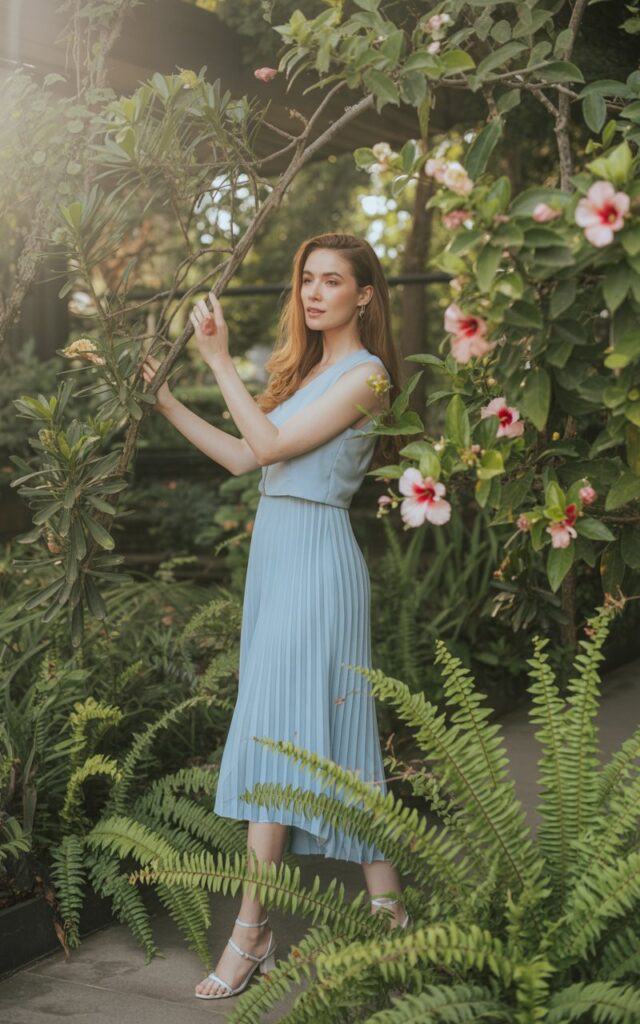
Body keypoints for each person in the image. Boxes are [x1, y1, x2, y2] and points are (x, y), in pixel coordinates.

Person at [142, 232, 409, 1001]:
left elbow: (267, 448)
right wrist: (164, 398)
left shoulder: (368, 376)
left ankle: (251, 932)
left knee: (292, 738)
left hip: (319, 565)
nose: (314, 292)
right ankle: (390, 919)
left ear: (364, 295)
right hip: (278, 560)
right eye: (306, 281)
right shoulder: (311, 372)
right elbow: (238, 457)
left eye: (332, 281)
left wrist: (219, 360)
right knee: (307, 740)